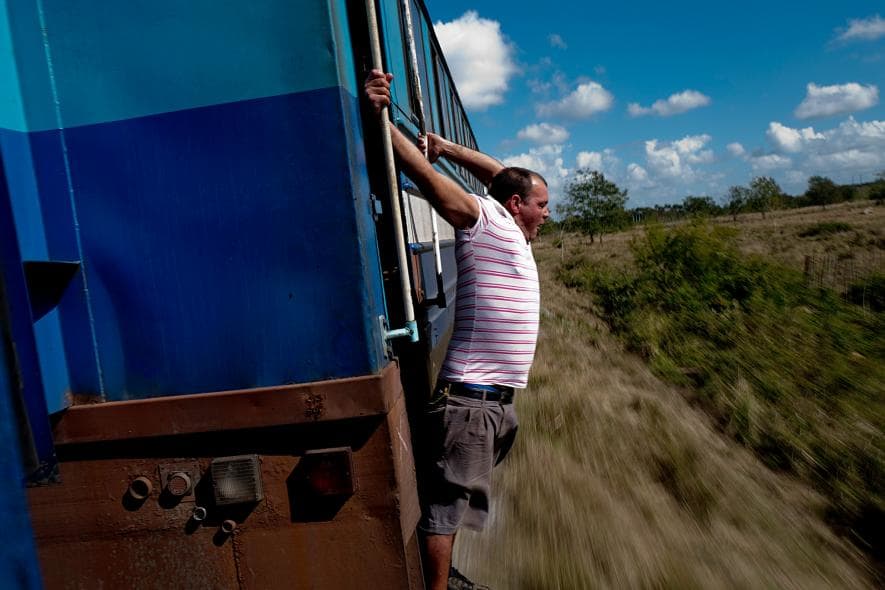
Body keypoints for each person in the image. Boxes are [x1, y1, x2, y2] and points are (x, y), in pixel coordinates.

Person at [365, 70, 549, 590]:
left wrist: (449, 144)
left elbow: (502, 172)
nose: (547, 214)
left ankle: (447, 578)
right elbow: (426, 177)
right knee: (446, 511)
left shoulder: (514, 228)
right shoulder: (482, 219)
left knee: (458, 499)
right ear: (518, 206)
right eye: (542, 205)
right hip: (472, 400)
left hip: (494, 402)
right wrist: (380, 116)